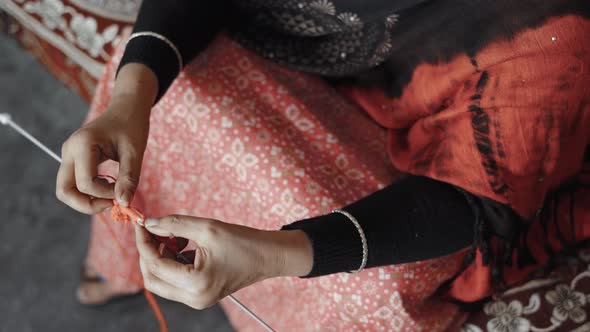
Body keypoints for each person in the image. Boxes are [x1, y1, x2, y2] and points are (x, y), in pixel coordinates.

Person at [56, 0, 590, 330]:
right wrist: (130, 100)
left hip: (448, 147)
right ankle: (123, 265)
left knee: (376, 290)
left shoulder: (554, 29)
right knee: (153, 93)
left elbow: (473, 199)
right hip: (285, 46)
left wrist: (277, 254)